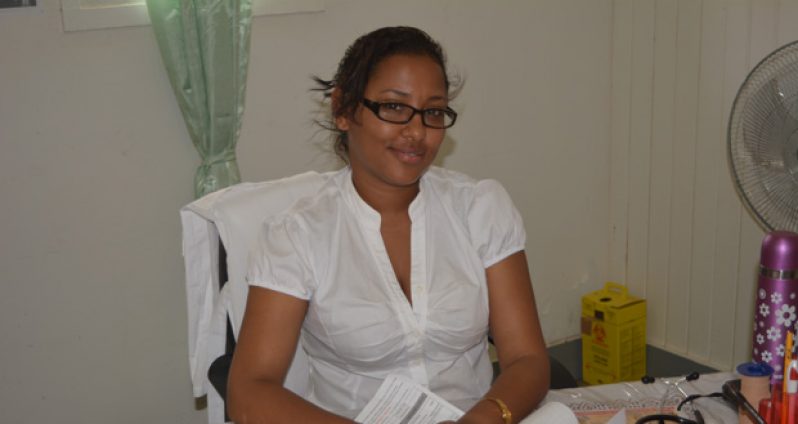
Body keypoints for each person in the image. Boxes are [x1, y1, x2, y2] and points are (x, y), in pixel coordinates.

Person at [227, 26, 549, 424]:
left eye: (433, 112)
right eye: (394, 107)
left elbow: (527, 358)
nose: (416, 132)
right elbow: (249, 392)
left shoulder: (480, 209)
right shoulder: (298, 235)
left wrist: (483, 418)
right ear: (343, 109)